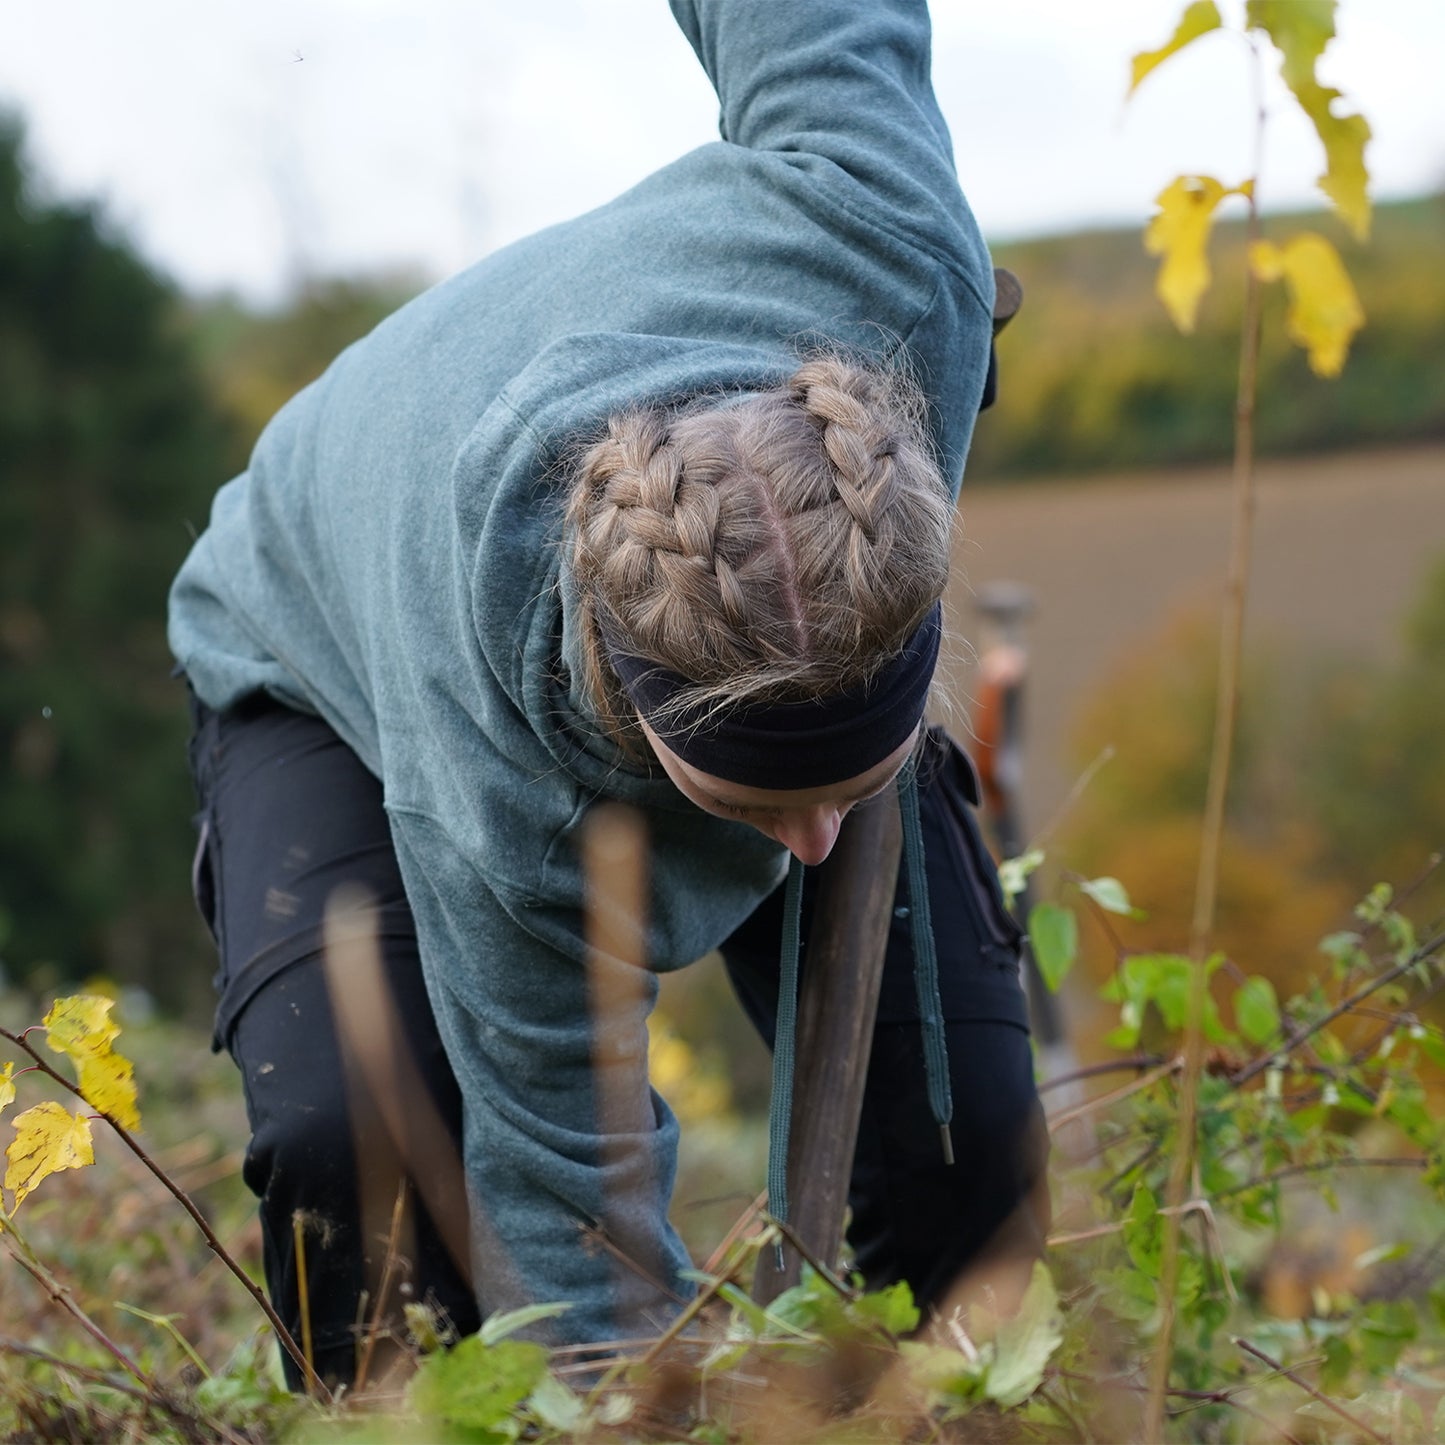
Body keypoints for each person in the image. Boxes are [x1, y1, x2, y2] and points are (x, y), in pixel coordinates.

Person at [170, 0, 1048, 1389]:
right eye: (765, 797)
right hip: (316, 646)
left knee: (968, 1137)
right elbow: (577, 1233)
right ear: (634, 722)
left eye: (847, 778)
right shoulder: (507, 785)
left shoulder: (887, 243)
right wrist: (628, 1407)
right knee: (371, 1166)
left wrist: (826, 771)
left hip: (760, 580)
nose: (816, 845)